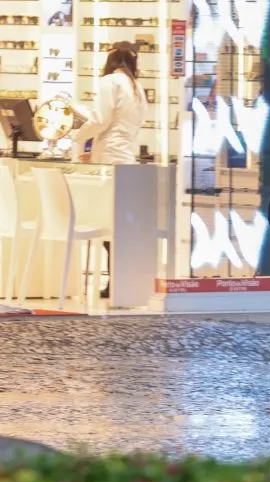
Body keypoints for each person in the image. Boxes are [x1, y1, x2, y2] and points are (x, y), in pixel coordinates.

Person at [72, 41, 147, 300]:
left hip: (109, 159)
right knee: (119, 223)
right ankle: (120, 280)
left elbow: (100, 120)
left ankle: (114, 281)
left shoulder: (110, 82)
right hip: (126, 156)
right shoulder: (136, 87)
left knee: (106, 221)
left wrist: (76, 136)